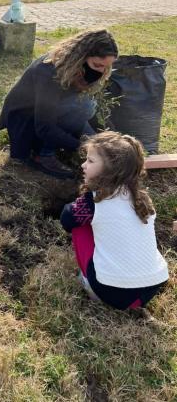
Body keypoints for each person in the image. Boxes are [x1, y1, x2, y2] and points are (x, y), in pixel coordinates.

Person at [60, 132, 168, 311]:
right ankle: (133, 301)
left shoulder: (94, 202)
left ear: (111, 170)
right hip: (151, 287)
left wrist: (76, 204)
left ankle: (88, 283)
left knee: (80, 225)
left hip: (111, 291)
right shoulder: (143, 200)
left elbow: (66, 219)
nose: (83, 165)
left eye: (91, 161)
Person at [0, 29, 118, 179]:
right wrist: (84, 146)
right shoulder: (49, 73)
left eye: (106, 67)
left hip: (48, 114)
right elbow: (44, 127)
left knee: (88, 106)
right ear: (81, 56)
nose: (102, 71)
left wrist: (104, 136)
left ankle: (60, 145)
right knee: (84, 107)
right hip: (25, 123)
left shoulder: (74, 69)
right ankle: (42, 155)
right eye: (97, 65)